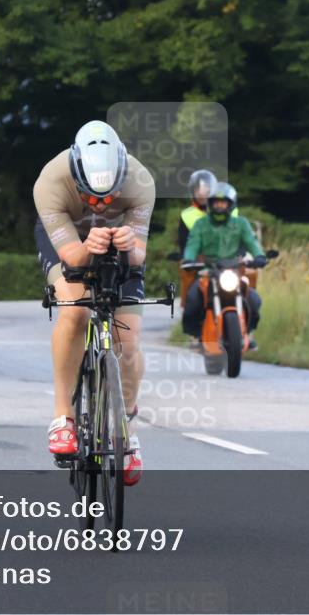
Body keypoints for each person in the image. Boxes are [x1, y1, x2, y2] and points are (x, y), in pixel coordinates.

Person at [34, 120, 155, 486]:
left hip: (119, 244)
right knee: (77, 309)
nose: (99, 204)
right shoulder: (50, 182)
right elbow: (72, 257)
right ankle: (63, 417)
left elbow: (137, 257)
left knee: (128, 339)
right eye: (90, 195)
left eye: (108, 196)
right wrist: (87, 247)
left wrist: (127, 244)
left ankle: (125, 429)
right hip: (71, 241)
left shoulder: (141, 181)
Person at [182, 181, 266, 349]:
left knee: (254, 300)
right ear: (210, 204)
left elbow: (252, 242)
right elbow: (192, 244)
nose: (220, 206)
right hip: (208, 271)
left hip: (235, 270)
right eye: (216, 202)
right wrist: (188, 259)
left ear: (230, 204)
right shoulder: (201, 225)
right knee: (192, 300)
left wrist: (259, 256)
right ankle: (197, 336)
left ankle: (248, 333)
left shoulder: (241, 224)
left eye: (224, 202)